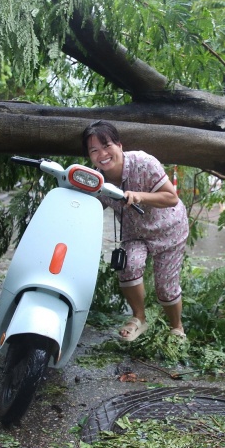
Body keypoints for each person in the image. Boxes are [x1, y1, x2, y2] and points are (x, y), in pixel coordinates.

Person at [82, 120, 189, 342]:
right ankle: (139, 318)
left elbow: (171, 198)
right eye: (94, 150)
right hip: (135, 233)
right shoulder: (97, 180)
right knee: (128, 266)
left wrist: (140, 195)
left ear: (119, 145)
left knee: (166, 288)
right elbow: (90, 208)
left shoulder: (143, 162)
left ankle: (177, 328)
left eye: (107, 146)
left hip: (169, 229)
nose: (102, 154)